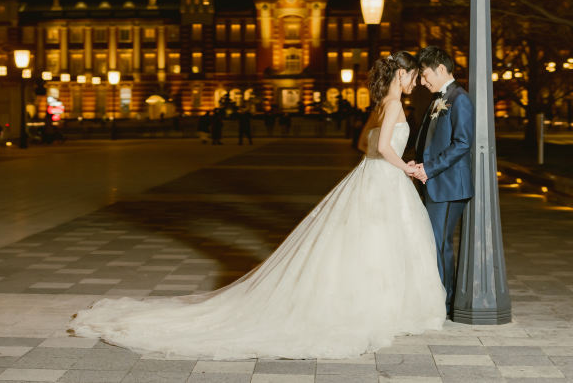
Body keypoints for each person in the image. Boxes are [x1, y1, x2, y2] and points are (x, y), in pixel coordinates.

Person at [71, 51, 446, 359]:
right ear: (401, 74)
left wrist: (384, 161)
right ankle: (379, 308)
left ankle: (372, 304)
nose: (416, 81)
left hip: (369, 177)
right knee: (381, 244)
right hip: (386, 178)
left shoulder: (382, 102)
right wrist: (408, 167)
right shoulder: (396, 104)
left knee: (360, 243)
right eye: (413, 75)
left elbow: (364, 141)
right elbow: (381, 148)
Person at [408, 46, 474, 318]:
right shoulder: (442, 97)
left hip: (448, 185)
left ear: (441, 69)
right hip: (435, 180)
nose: (422, 82)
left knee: (438, 243)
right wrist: (419, 164)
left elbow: (462, 143)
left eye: (424, 75)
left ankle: (445, 305)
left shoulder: (460, 99)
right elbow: (432, 139)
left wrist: (429, 169)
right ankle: (436, 299)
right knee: (431, 241)